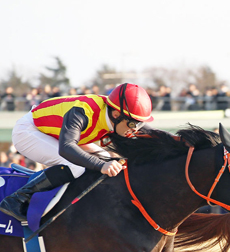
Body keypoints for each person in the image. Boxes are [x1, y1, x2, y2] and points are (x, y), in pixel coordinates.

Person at [0, 83, 153, 224]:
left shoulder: (114, 115)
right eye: (133, 123)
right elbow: (66, 148)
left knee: (105, 157)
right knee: (75, 166)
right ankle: (17, 199)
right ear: (115, 114)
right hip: (29, 131)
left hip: (57, 134)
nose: (135, 129)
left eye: (140, 123)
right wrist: (101, 165)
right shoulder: (83, 112)